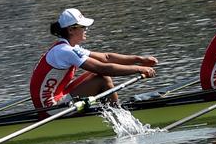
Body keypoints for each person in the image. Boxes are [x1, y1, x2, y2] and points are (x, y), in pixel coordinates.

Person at [29, 8, 157, 110]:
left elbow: (106, 57)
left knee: (97, 74)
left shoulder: (68, 47)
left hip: (58, 97)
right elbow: (103, 68)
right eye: (83, 27)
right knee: (103, 78)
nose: (86, 30)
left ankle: (111, 109)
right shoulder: (65, 51)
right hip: (49, 109)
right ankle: (118, 115)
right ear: (71, 30)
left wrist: (140, 59)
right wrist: (139, 69)